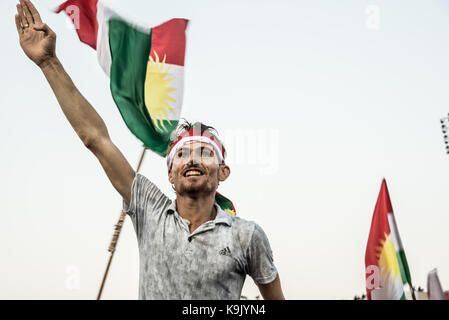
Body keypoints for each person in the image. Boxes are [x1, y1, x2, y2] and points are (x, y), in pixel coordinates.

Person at [14, 0, 285, 300]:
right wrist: (49, 63)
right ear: (169, 173)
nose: (192, 159)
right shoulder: (150, 209)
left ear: (223, 171)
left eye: (204, 153)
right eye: (182, 154)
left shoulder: (246, 236)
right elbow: (96, 138)